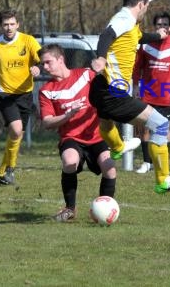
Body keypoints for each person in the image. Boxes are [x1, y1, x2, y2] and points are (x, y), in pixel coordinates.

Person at [88, 0, 170, 193]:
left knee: (106, 121)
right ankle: (163, 181)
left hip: (100, 88)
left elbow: (139, 37)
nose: (146, 10)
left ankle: (117, 147)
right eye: (147, 6)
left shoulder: (129, 23)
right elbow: (106, 35)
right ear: (142, 4)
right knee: (161, 125)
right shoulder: (123, 20)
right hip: (114, 92)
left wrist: (158, 36)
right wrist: (100, 57)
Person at [38, 44, 117, 222]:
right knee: (70, 161)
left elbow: (107, 88)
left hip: (96, 136)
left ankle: (106, 209)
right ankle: (69, 209)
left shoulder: (86, 75)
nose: (45, 67)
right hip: (71, 137)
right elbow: (47, 122)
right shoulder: (46, 90)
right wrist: (69, 114)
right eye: (43, 64)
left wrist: (102, 66)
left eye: (48, 62)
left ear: (60, 60)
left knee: (109, 168)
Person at [0, 9, 41, 186]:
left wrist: (38, 68)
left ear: (18, 24)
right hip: (5, 94)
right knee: (16, 130)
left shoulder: (28, 40)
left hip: (25, 94)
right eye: (5, 24)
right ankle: (11, 169)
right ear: (1, 26)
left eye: (12, 24)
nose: (9, 27)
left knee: (17, 134)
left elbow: (40, 59)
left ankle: (2, 174)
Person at [133, 12, 170, 177]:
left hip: (166, 95)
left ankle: (164, 166)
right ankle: (146, 163)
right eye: (159, 25)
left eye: (165, 25)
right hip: (147, 94)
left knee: (165, 130)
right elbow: (137, 67)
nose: (162, 28)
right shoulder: (145, 44)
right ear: (154, 27)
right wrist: (135, 85)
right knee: (145, 129)